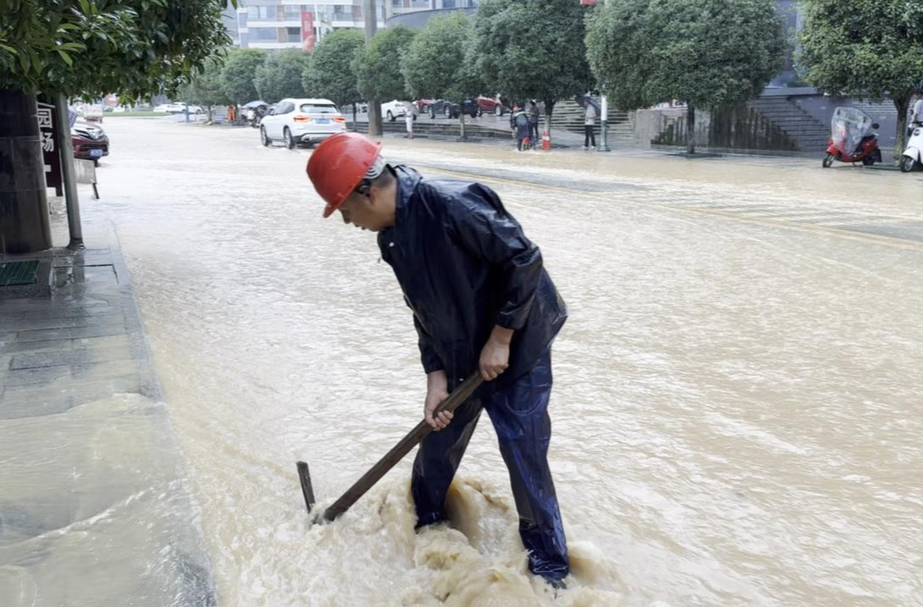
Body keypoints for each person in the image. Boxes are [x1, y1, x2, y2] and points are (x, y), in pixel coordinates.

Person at [306, 133, 570, 589]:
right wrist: (436, 377)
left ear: (367, 192)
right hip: (461, 350)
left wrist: (502, 338)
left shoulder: (452, 203)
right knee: (437, 434)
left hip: (518, 344)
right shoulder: (391, 239)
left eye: (346, 211)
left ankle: (550, 569)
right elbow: (423, 311)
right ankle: (424, 521)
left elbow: (524, 260)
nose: (349, 222)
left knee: (522, 451)